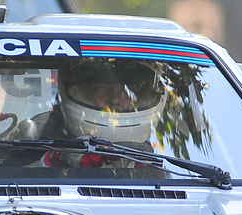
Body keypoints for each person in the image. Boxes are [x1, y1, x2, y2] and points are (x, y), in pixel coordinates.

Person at [36, 59, 167, 169]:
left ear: (142, 97)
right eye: (101, 90)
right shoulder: (40, 134)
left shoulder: (170, 163)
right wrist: (56, 161)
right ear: (83, 94)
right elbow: (21, 172)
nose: (115, 100)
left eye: (126, 92)